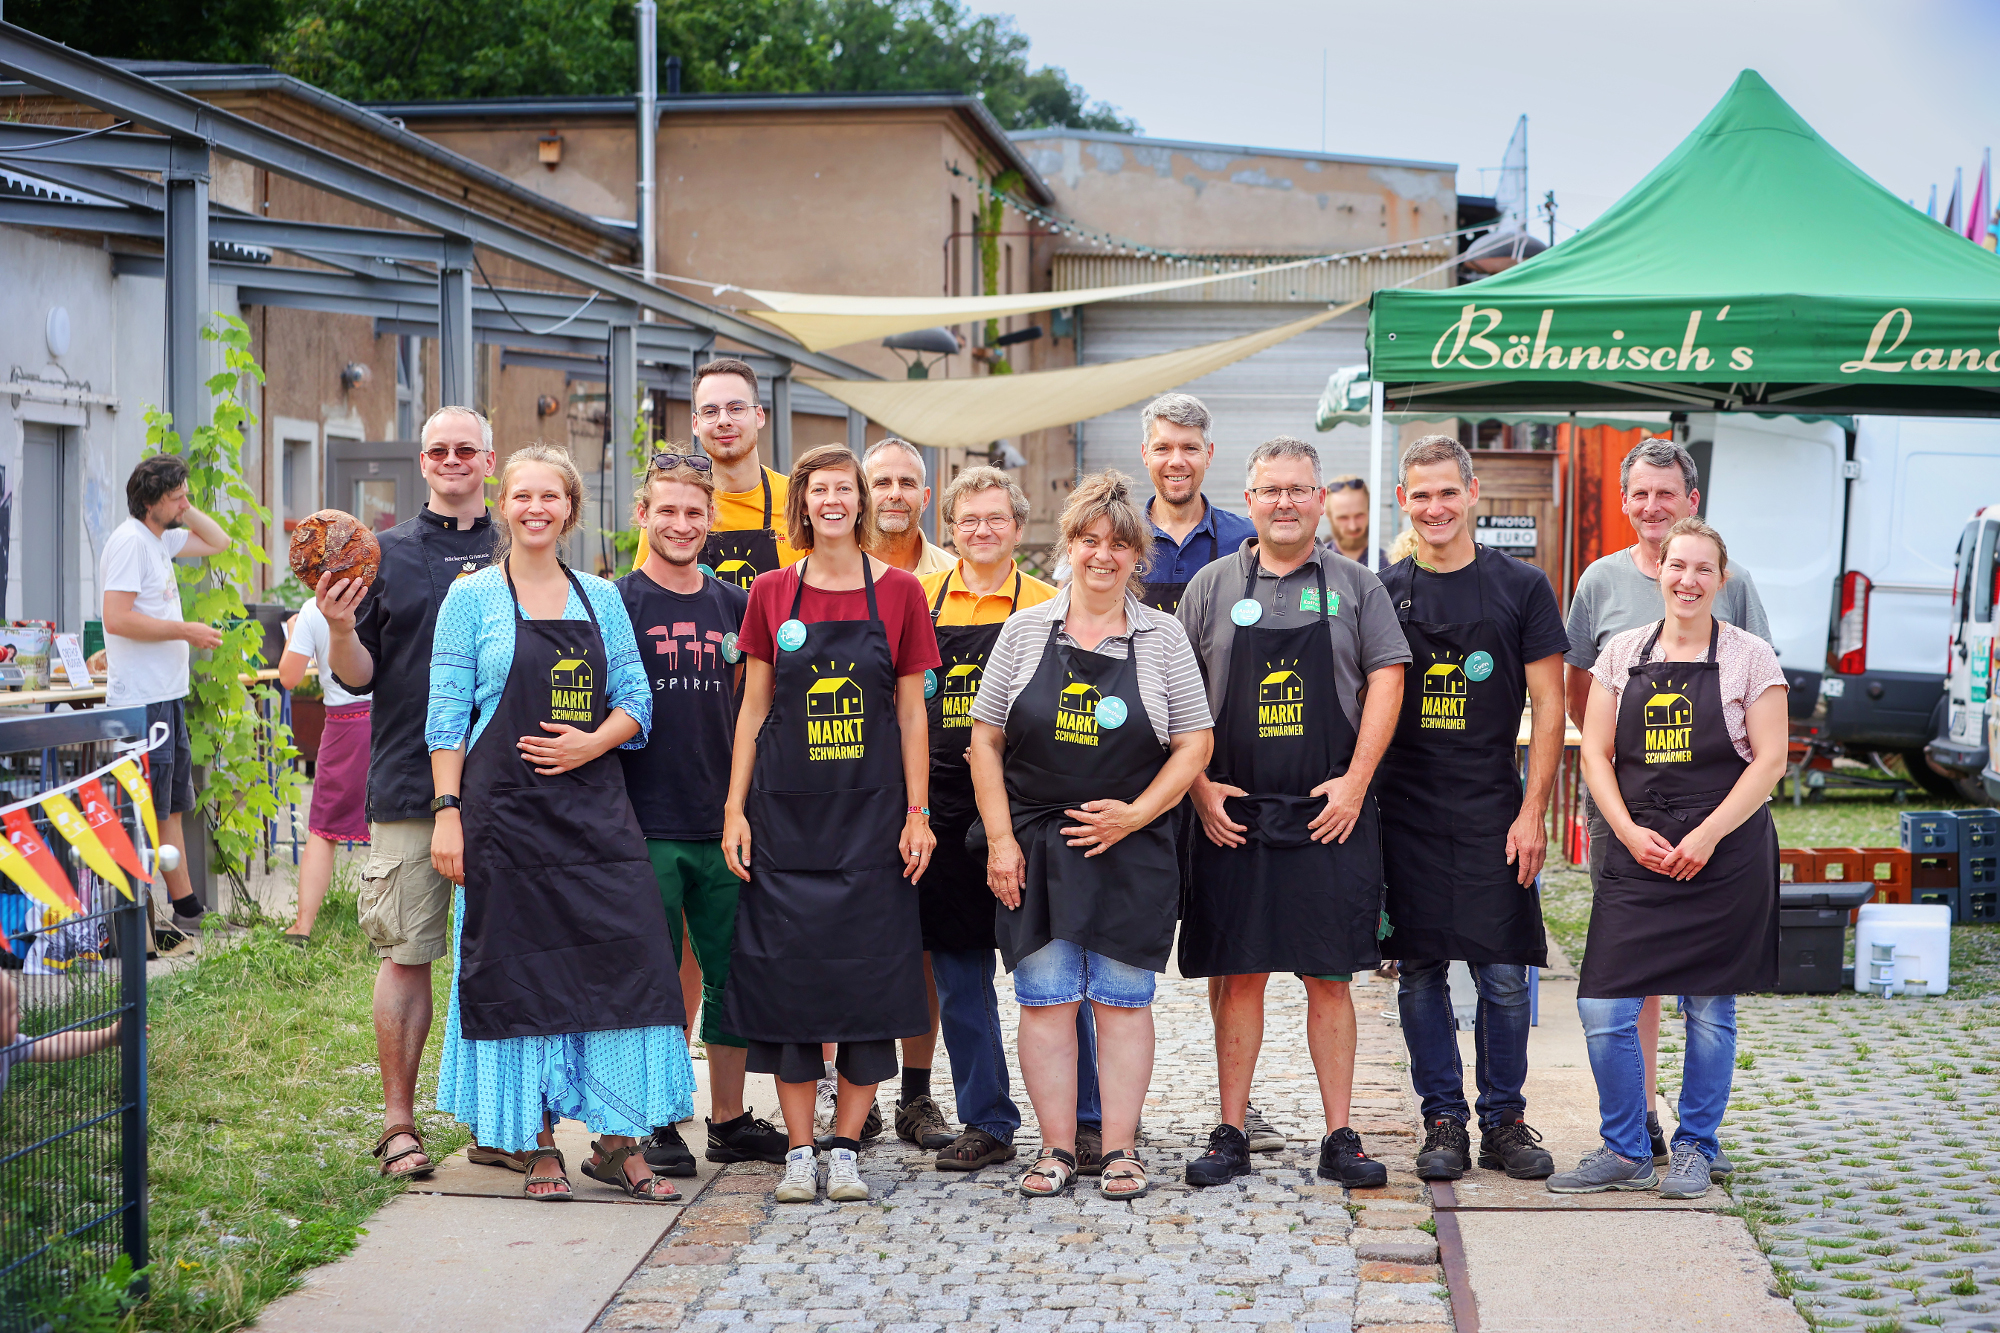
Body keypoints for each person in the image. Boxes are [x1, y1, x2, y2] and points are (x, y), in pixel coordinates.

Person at [426, 444, 693, 1203]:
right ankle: (536, 1140)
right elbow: (445, 719)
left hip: (595, 819)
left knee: (628, 963)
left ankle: (618, 1142)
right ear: (502, 505)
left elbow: (637, 699)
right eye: (522, 496)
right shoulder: (471, 598)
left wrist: (589, 742)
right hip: (503, 821)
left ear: (570, 509)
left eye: (551, 496)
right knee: (520, 975)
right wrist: (448, 815)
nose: (536, 508)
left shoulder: (601, 598)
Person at [969, 471, 1213, 1201]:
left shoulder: (1163, 637)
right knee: (1043, 1000)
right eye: (1088, 540)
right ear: (1067, 547)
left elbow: (1195, 745)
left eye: (1117, 544)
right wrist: (1002, 841)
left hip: (1132, 849)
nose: (1102, 555)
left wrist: (1137, 814)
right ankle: (1053, 1150)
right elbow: (984, 741)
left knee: (1122, 1000)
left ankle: (1120, 1150)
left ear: (1137, 556)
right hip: (1037, 846)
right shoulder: (1022, 632)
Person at [1177, 438, 1406, 1188]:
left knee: (1329, 978)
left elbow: (1387, 681)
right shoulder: (1210, 586)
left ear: (1319, 501)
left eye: (1298, 489)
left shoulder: (1356, 586)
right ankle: (1231, 1131)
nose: (1285, 501)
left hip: (1327, 815)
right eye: (1270, 489)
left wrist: (1355, 783)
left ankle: (1340, 1135)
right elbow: (1174, 696)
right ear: (1248, 499)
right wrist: (1201, 788)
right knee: (1240, 976)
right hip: (1232, 814)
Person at [721, 444, 939, 1205]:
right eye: (822, 491)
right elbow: (753, 709)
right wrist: (733, 809)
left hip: (874, 824)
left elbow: (913, 714)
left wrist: (919, 812)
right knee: (789, 985)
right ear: (803, 505)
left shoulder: (904, 592)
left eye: (847, 489)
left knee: (868, 984)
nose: (836, 501)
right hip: (784, 822)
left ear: (863, 501)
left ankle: (846, 1147)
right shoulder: (771, 593)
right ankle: (799, 1151)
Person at [1550, 518, 1784, 1199]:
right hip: (1639, 848)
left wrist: (1707, 834)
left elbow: (1770, 759)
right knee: (1603, 1005)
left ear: (1721, 578)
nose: (1686, 579)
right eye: (1676, 566)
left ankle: (1695, 1148)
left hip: (1724, 851)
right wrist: (1623, 830)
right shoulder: (1622, 651)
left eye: (1702, 568)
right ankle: (1625, 1148)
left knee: (1708, 1007)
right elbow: (1593, 750)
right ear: (1660, 572)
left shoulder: (1751, 657)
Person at [317, 405, 508, 1180]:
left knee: (513, 955)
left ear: (490, 460)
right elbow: (360, 674)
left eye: (467, 448)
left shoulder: (525, 539)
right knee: (409, 951)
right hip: (407, 779)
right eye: (439, 450)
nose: (453, 459)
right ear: (422, 463)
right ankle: (399, 1122)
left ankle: (505, 1121)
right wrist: (336, 629)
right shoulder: (381, 554)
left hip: (517, 780)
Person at [1375, 435, 1567, 1184]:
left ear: (1473, 491)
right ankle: (1443, 1118)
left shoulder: (1522, 586)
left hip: (1493, 803)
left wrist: (1534, 811)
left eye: (1446, 492)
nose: (1435, 507)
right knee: (1421, 970)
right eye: (1420, 495)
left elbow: (1550, 709)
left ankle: (1505, 1120)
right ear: (1404, 501)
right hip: (1407, 807)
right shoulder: (1382, 591)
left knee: (1505, 973)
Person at [615, 450, 790, 1176]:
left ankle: (727, 1118)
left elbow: (759, 708)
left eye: (695, 511)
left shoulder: (734, 606)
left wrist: (747, 804)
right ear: (643, 515)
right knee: (653, 975)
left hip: (724, 819)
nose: (681, 523)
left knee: (732, 971)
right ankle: (656, 1117)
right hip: (641, 819)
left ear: (713, 519)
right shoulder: (615, 601)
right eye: (667, 510)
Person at [912, 466, 1090, 1174]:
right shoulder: (917, 601)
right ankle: (987, 1118)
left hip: (1031, 811)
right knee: (959, 975)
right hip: (944, 808)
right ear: (949, 528)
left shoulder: (1053, 606)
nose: (981, 530)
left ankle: (1085, 1120)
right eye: (968, 520)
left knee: (1057, 976)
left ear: (1019, 528)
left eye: (995, 518)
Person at [1132, 393, 1278, 1150]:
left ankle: (1238, 1105)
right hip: (1132, 770)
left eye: (1189, 446)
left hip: (1225, 770)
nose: (1176, 459)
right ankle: (1118, 1105)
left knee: (1230, 947)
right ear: (1147, 455)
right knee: (1129, 943)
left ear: (1209, 455)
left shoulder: (1248, 541)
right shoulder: (1120, 540)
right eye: (1163, 447)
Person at [99, 454, 238, 941]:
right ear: (150, 502)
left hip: (166, 695)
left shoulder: (162, 538)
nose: (184, 502)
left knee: (171, 804)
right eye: (175, 495)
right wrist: (184, 630)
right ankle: (136, 919)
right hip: (140, 701)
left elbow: (220, 542)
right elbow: (115, 618)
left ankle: (186, 908)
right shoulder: (130, 542)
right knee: (145, 808)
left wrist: (184, 504)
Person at [638, 357, 803, 591]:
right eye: (710, 411)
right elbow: (644, 592)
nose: (723, 421)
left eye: (736, 408)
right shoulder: (675, 506)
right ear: (696, 423)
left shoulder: (797, 500)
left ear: (759, 416)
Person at [277, 599, 370, 946]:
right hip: (393, 716)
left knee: (322, 828)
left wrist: (292, 630)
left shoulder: (313, 608)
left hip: (344, 724)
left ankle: (302, 926)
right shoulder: (384, 586)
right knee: (397, 824)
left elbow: (289, 676)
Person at [864, 439, 956, 577]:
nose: (895, 494)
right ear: (862, 495)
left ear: (925, 499)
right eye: (882, 483)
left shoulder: (954, 575)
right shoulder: (835, 570)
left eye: (907, 484)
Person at [1322, 475, 1392, 571]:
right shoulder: (1316, 565)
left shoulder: (1389, 565)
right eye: (1343, 518)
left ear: (1369, 512)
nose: (1353, 526)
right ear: (1329, 516)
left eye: (1359, 515)